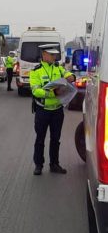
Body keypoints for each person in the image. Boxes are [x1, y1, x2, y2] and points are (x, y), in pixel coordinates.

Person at [30, 44, 75, 175]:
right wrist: (52, 93)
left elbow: (69, 74)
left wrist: (71, 77)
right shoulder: (36, 71)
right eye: (52, 55)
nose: (54, 57)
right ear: (44, 55)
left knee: (56, 139)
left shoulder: (58, 68)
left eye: (55, 55)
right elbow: (36, 91)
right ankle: (38, 165)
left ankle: (54, 164)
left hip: (57, 110)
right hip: (42, 110)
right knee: (40, 139)